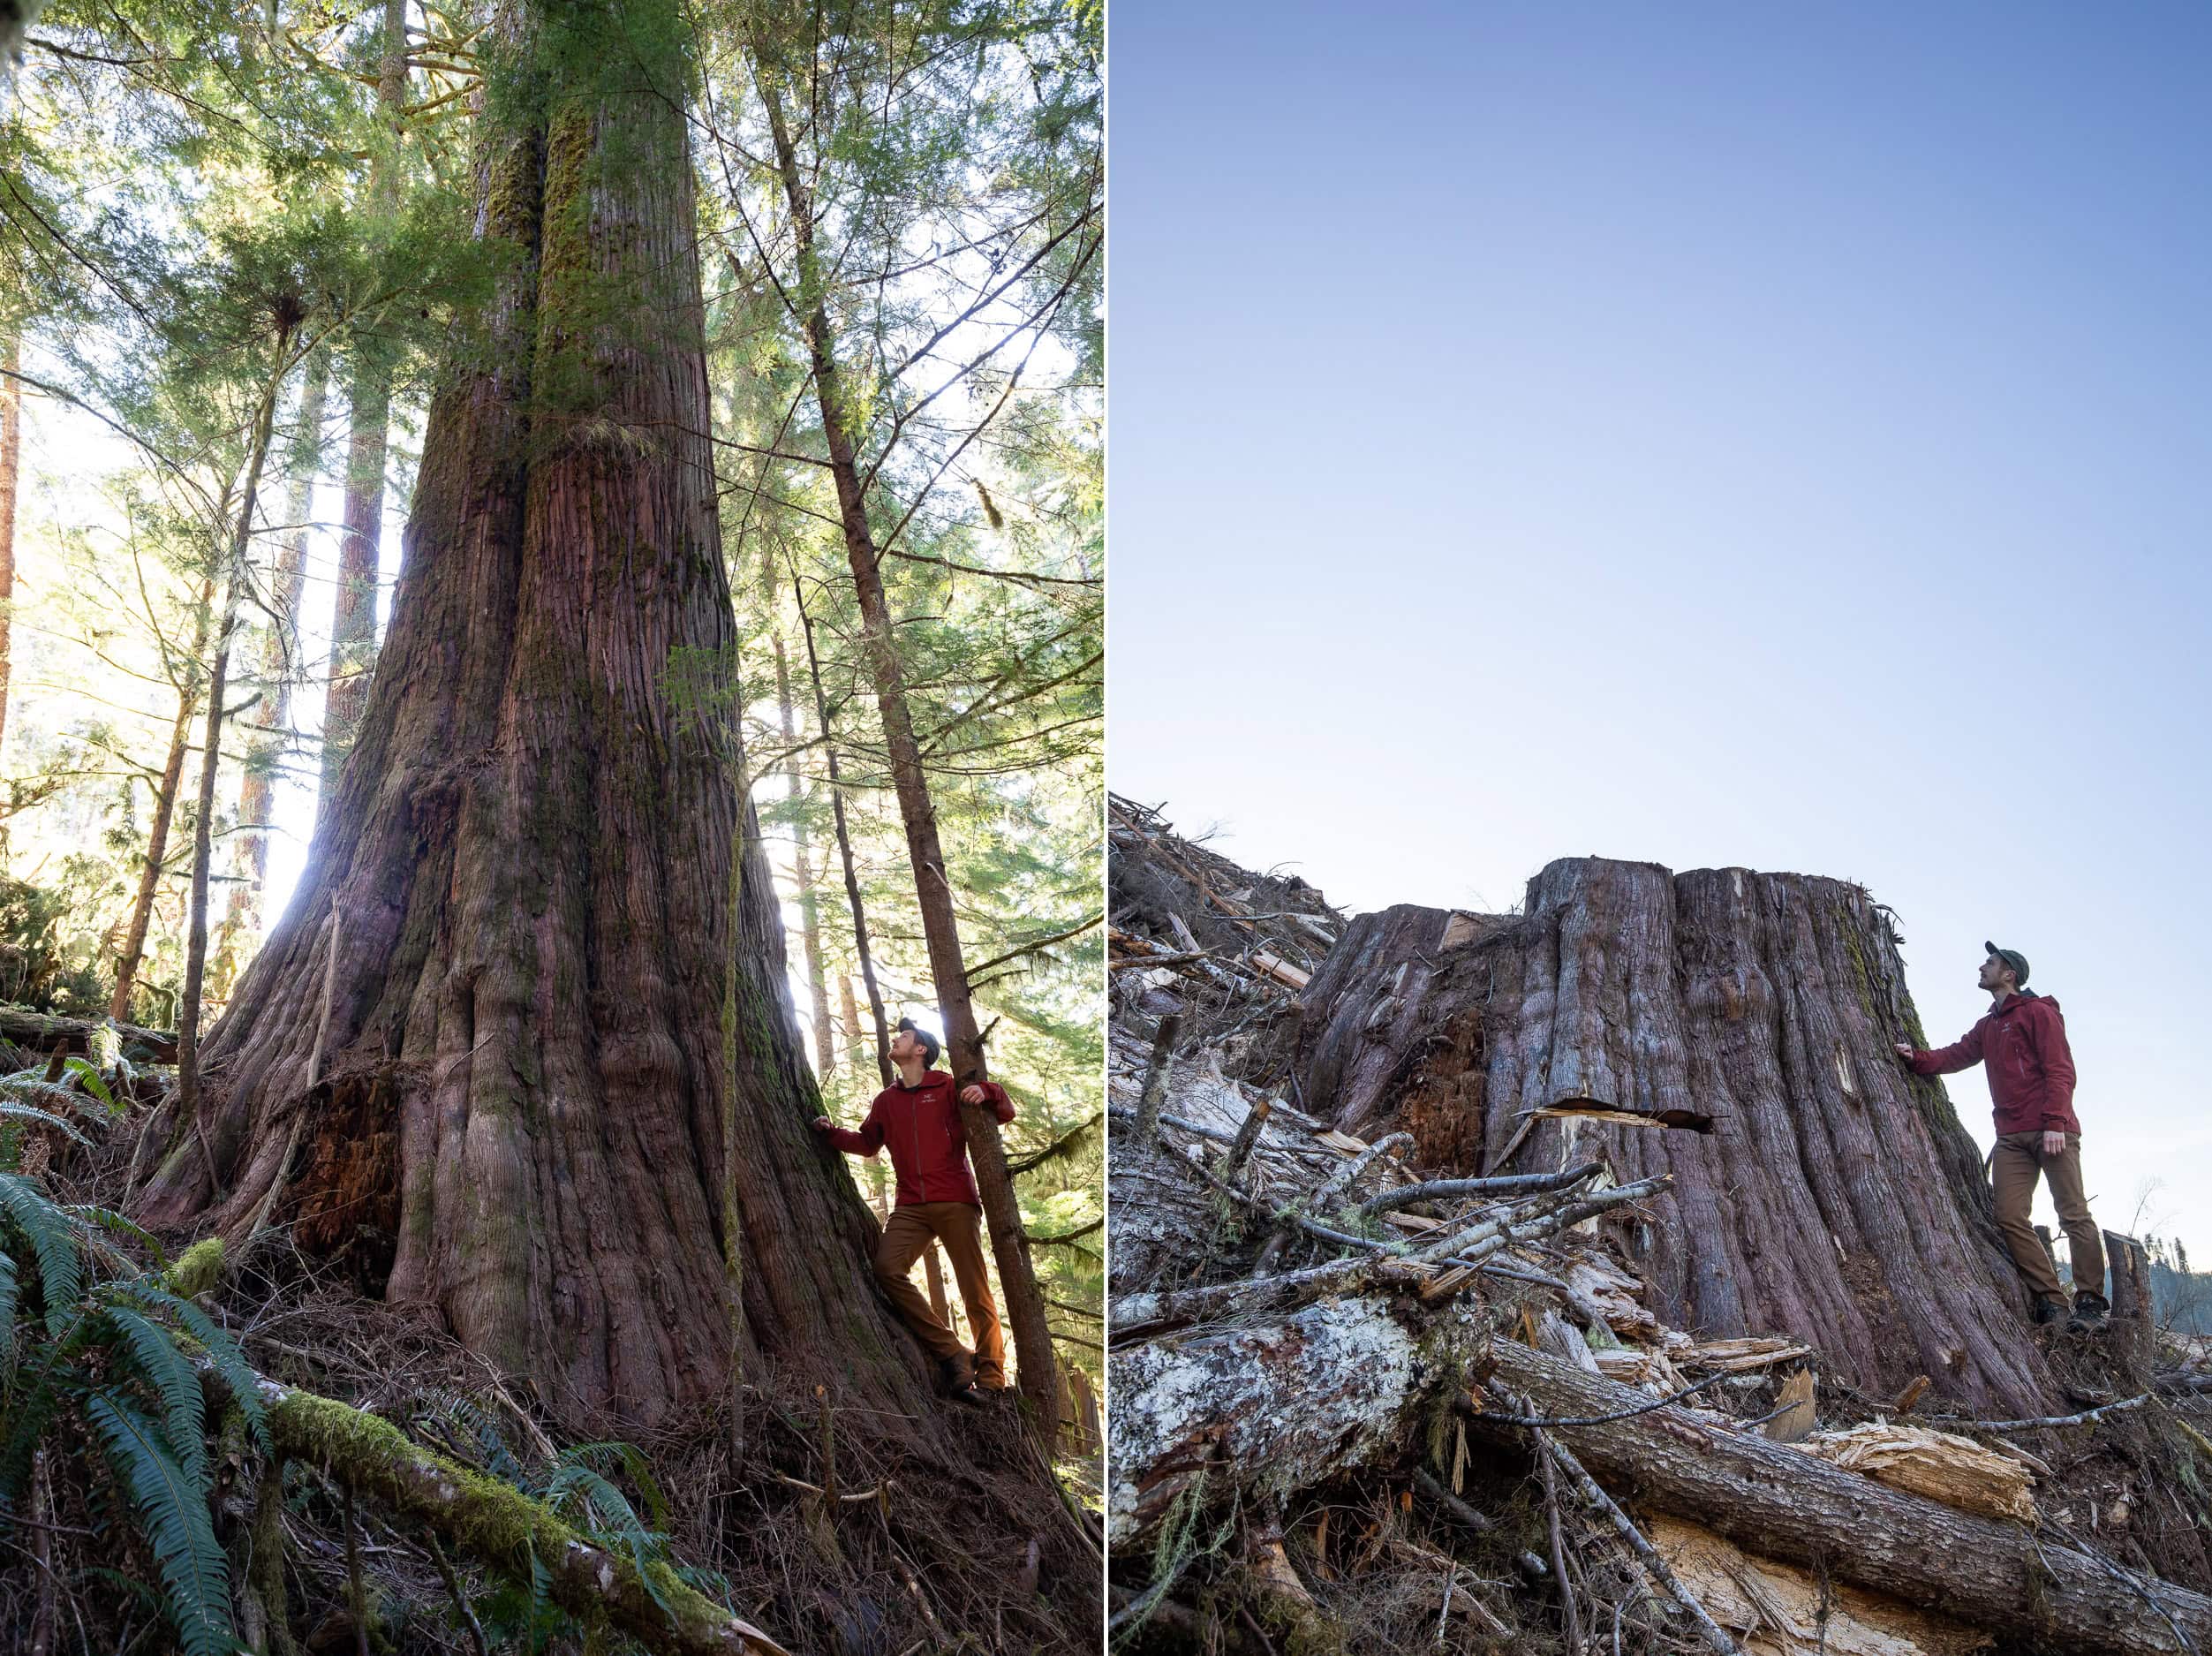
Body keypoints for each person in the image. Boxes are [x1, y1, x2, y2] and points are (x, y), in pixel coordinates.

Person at [1895, 942, 2107, 1332]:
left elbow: (2061, 1070)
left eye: (1990, 963)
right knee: (2008, 1216)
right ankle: (2052, 1300)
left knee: (2073, 1212)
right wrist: (1916, 1058)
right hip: (2010, 1137)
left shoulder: (2038, 1012)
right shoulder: (1989, 1024)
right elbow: (1956, 1055)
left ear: (2009, 973)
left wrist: (2056, 1122)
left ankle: (2091, 1302)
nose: (1982, 966)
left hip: (2051, 1129)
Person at [812, 1017, 1017, 1395]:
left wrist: (988, 1091)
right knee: (887, 1269)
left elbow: (1005, 1113)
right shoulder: (886, 1101)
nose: (897, 1038)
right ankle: (953, 1351)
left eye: (904, 1035)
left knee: (975, 1291)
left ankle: (991, 1377)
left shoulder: (947, 1087)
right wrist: (829, 1134)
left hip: (955, 1199)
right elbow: (867, 1143)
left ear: (921, 1050)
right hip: (910, 1206)